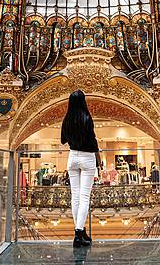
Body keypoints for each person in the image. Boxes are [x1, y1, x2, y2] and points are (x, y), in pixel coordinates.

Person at [61, 89, 101, 248]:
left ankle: (80, 230)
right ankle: (78, 234)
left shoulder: (67, 119)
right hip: (87, 158)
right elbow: (92, 140)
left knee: (75, 196)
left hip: (72, 157)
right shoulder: (86, 117)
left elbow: (63, 140)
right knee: (84, 197)